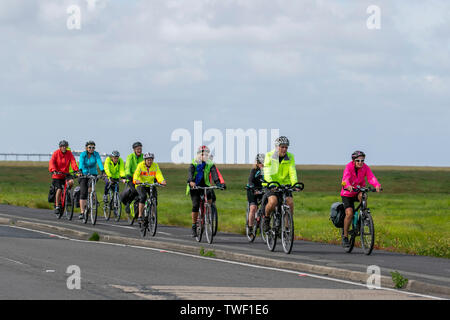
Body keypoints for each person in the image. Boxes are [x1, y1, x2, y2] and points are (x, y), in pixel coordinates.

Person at [341, 150, 381, 248]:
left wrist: (376, 185)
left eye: (362, 161)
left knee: (363, 195)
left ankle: (364, 216)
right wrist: (348, 185)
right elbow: (345, 179)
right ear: (353, 161)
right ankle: (345, 236)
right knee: (349, 213)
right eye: (358, 160)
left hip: (358, 190)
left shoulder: (365, 168)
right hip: (347, 193)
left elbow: (371, 177)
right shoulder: (348, 167)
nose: (360, 163)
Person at [187, 146, 225, 237]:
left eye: (207, 154)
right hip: (195, 186)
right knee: (196, 205)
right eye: (203, 154)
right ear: (199, 154)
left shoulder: (210, 163)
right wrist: (191, 181)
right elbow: (190, 173)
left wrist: (219, 183)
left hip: (205, 185)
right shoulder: (194, 163)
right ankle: (194, 225)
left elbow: (215, 174)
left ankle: (208, 214)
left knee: (210, 197)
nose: (205, 156)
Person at [263, 136, 299, 232]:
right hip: (271, 184)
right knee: (273, 201)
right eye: (282, 147)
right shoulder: (269, 155)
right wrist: (271, 184)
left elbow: (292, 171)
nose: (284, 149)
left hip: (285, 185)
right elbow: (266, 171)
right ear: (277, 147)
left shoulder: (290, 157)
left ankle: (286, 227)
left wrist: (295, 184)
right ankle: (266, 219)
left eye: (286, 147)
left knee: (290, 202)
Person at [133, 152, 166, 222]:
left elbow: (159, 174)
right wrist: (136, 180)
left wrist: (162, 181)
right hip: (141, 185)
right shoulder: (140, 165)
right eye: (148, 160)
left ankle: (153, 215)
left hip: (150, 184)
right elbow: (136, 174)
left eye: (151, 160)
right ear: (145, 160)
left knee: (154, 198)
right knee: (143, 196)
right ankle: (140, 215)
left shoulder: (155, 166)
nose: (150, 161)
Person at [49, 140, 79, 215]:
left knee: (71, 182)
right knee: (59, 189)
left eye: (65, 146)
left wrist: (76, 170)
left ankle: (68, 194)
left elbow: (73, 162)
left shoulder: (69, 153)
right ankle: (57, 206)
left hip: (66, 173)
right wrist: (54, 170)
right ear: (60, 147)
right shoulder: (56, 153)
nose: (64, 147)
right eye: (62, 146)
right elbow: (52, 162)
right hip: (57, 174)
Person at [78, 141, 105, 219]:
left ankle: (93, 198)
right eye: (90, 147)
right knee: (83, 193)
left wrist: (102, 171)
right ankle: (82, 212)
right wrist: (80, 170)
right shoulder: (83, 154)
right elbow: (81, 163)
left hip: (93, 174)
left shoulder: (96, 154)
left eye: (93, 147)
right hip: (83, 174)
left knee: (90, 188)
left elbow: (99, 162)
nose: (91, 149)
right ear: (86, 148)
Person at [246, 153, 265, 233]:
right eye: (260, 162)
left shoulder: (268, 170)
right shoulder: (254, 170)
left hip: (263, 190)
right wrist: (253, 188)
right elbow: (250, 180)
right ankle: (250, 227)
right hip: (252, 190)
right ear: (257, 163)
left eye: (263, 162)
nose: (262, 164)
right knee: (253, 208)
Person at [124, 142, 144, 213]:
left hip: (140, 178)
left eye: (140, 149)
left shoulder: (143, 157)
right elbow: (127, 168)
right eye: (138, 149)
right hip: (131, 177)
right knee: (134, 191)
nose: (139, 150)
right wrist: (128, 176)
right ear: (134, 150)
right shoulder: (130, 157)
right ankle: (128, 203)